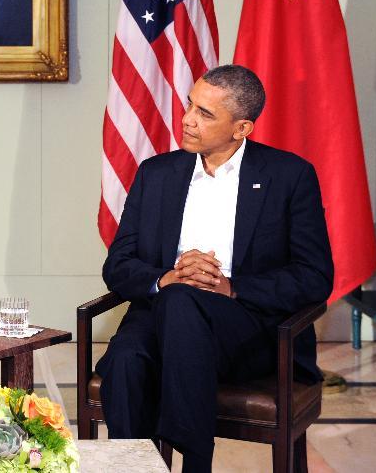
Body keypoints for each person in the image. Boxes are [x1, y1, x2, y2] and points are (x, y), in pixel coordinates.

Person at [96, 65, 333, 473]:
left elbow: (315, 276)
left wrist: (230, 287)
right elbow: (117, 264)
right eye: (190, 104)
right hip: (160, 314)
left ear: (242, 128)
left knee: (180, 304)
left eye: (205, 113)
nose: (187, 118)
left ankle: (195, 463)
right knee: (127, 360)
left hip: (247, 328)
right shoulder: (157, 174)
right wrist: (167, 277)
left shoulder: (288, 176)